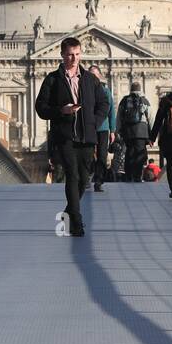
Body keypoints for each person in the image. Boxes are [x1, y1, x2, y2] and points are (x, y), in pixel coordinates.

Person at [34, 37, 108, 236]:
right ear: (62, 55)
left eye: (77, 54)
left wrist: (94, 122)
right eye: (69, 55)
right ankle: (76, 222)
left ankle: (68, 213)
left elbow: (104, 104)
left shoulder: (90, 79)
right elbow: (40, 108)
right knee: (72, 176)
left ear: (80, 54)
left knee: (84, 180)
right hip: (65, 136)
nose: (73, 59)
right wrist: (61, 111)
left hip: (86, 136)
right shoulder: (52, 79)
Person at [88, 65, 116, 192]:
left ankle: (98, 180)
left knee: (102, 155)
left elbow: (111, 112)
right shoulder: (84, 91)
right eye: (90, 75)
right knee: (87, 154)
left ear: (99, 76)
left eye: (95, 74)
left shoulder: (105, 91)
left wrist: (113, 130)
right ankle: (87, 177)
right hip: (88, 127)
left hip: (103, 128)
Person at [116, 82, 151, 182]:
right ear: (140, 90)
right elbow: (151, 117)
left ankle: (128, 175)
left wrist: (117, 130)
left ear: (130, 90)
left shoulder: (124, 101)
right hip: (141, 131)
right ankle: (137, 176)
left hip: (128, 131)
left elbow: (119, 117)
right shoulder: (144, 101)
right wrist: (152, 135)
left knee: (129, 152)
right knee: (140, 153)